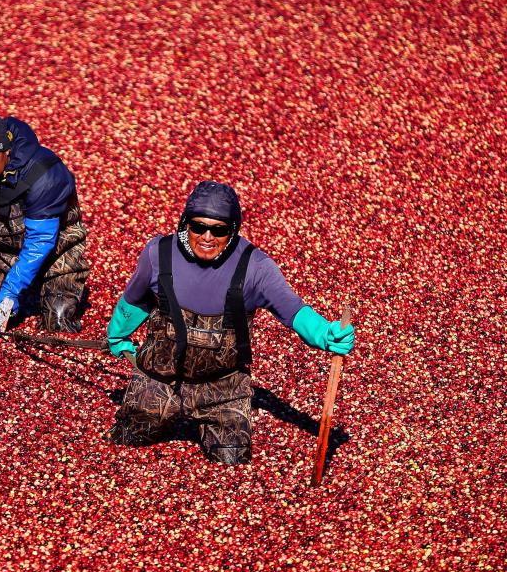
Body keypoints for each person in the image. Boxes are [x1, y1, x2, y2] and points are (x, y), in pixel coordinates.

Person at [105, 180, 354, 465]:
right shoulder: (158, 254)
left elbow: (293, 311)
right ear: (185, 224)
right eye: (199, 226)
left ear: (232, 231)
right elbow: (135, 299)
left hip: (223, 389)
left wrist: (325, 334)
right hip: (159, 381)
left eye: (219, 230)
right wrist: (117, 336)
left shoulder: (256, 268)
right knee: (128, 439)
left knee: (232, 457)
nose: (207, 236)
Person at [0, 112, 90, 337]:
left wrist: (12, 289)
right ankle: (28, 291)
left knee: (57, 322)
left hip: (57, 254)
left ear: (7, 151)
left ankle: (45, 288)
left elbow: (40, 242)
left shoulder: (44, 175)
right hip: (4, 253)